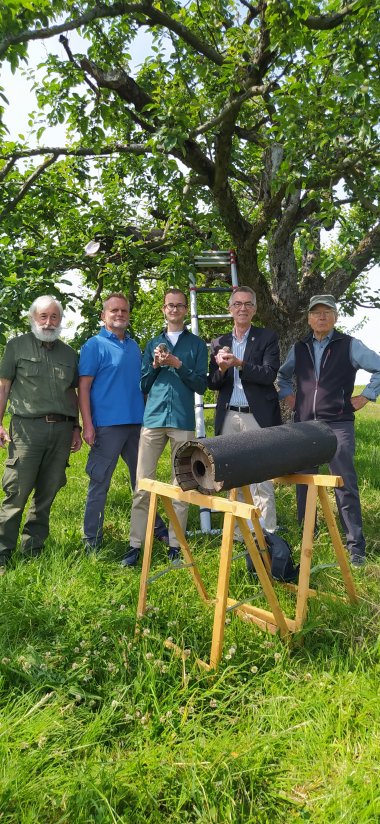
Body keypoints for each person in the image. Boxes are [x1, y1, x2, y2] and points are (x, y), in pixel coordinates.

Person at [277, 294, 380, 566]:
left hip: (338, 423)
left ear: (335, 317)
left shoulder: (349, 345)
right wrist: (290, 397)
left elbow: (378, 368)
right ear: (309, 318)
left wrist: (366, 396)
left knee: (344, 482)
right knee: (304, 483)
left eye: (327, 312)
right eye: (316, 313)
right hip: (305, 426)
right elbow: (282, 376)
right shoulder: (299, 348)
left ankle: (355, 547)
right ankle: (306, 535)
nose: (321, 317)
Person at [122, 288, 208, 566]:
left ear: (185, 311)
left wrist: (178, 365)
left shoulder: (197, 345)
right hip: (153, 419)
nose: (174, 310)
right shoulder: (152, 343)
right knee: (142, 484)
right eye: (169, 305)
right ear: (163, 309)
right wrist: (158, 365)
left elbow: (201, 385)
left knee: (182, 484)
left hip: (182, 419)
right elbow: (143, 384)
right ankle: (136, 544)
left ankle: (175, 544)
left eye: (179, 306)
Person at [78, 292, 168, 550]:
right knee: (100, 483)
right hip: (106, 426)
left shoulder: (133, 346)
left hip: (137, 424)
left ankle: (155, 527)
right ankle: (91, 540)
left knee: (143, 480)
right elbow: (83, 388)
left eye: (124, 311)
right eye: (114, 311)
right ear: (103, 315)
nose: (119, 315)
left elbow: (141, 385)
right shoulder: (93, 345)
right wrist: (88, 424)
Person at [0, 296, 82, 570]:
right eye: (43, 316)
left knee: (48, 491)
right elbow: (4, 386)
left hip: (60, 431)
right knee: (17, 492)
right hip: (26, 430)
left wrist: (76, 427)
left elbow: (72, 393)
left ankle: (33, 547)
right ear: (34, 318)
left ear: (60, 319)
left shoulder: (70, 354)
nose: (49, 322)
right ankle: (3, 551)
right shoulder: (16, 347)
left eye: (54, 317)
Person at [208, 285, 282, 535]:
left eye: (248, 304)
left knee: (262, 476)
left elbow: (269, 374)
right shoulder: (219, 342)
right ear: (230, 309)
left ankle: (266, 534)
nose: (242, 308)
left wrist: (240, 364)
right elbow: (212, 383)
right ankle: (241, 536)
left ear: (255, 309)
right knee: (234, 475)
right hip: (229, 415)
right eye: (237, 304)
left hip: (256, 415)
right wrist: (222, 369)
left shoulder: (267, 337)